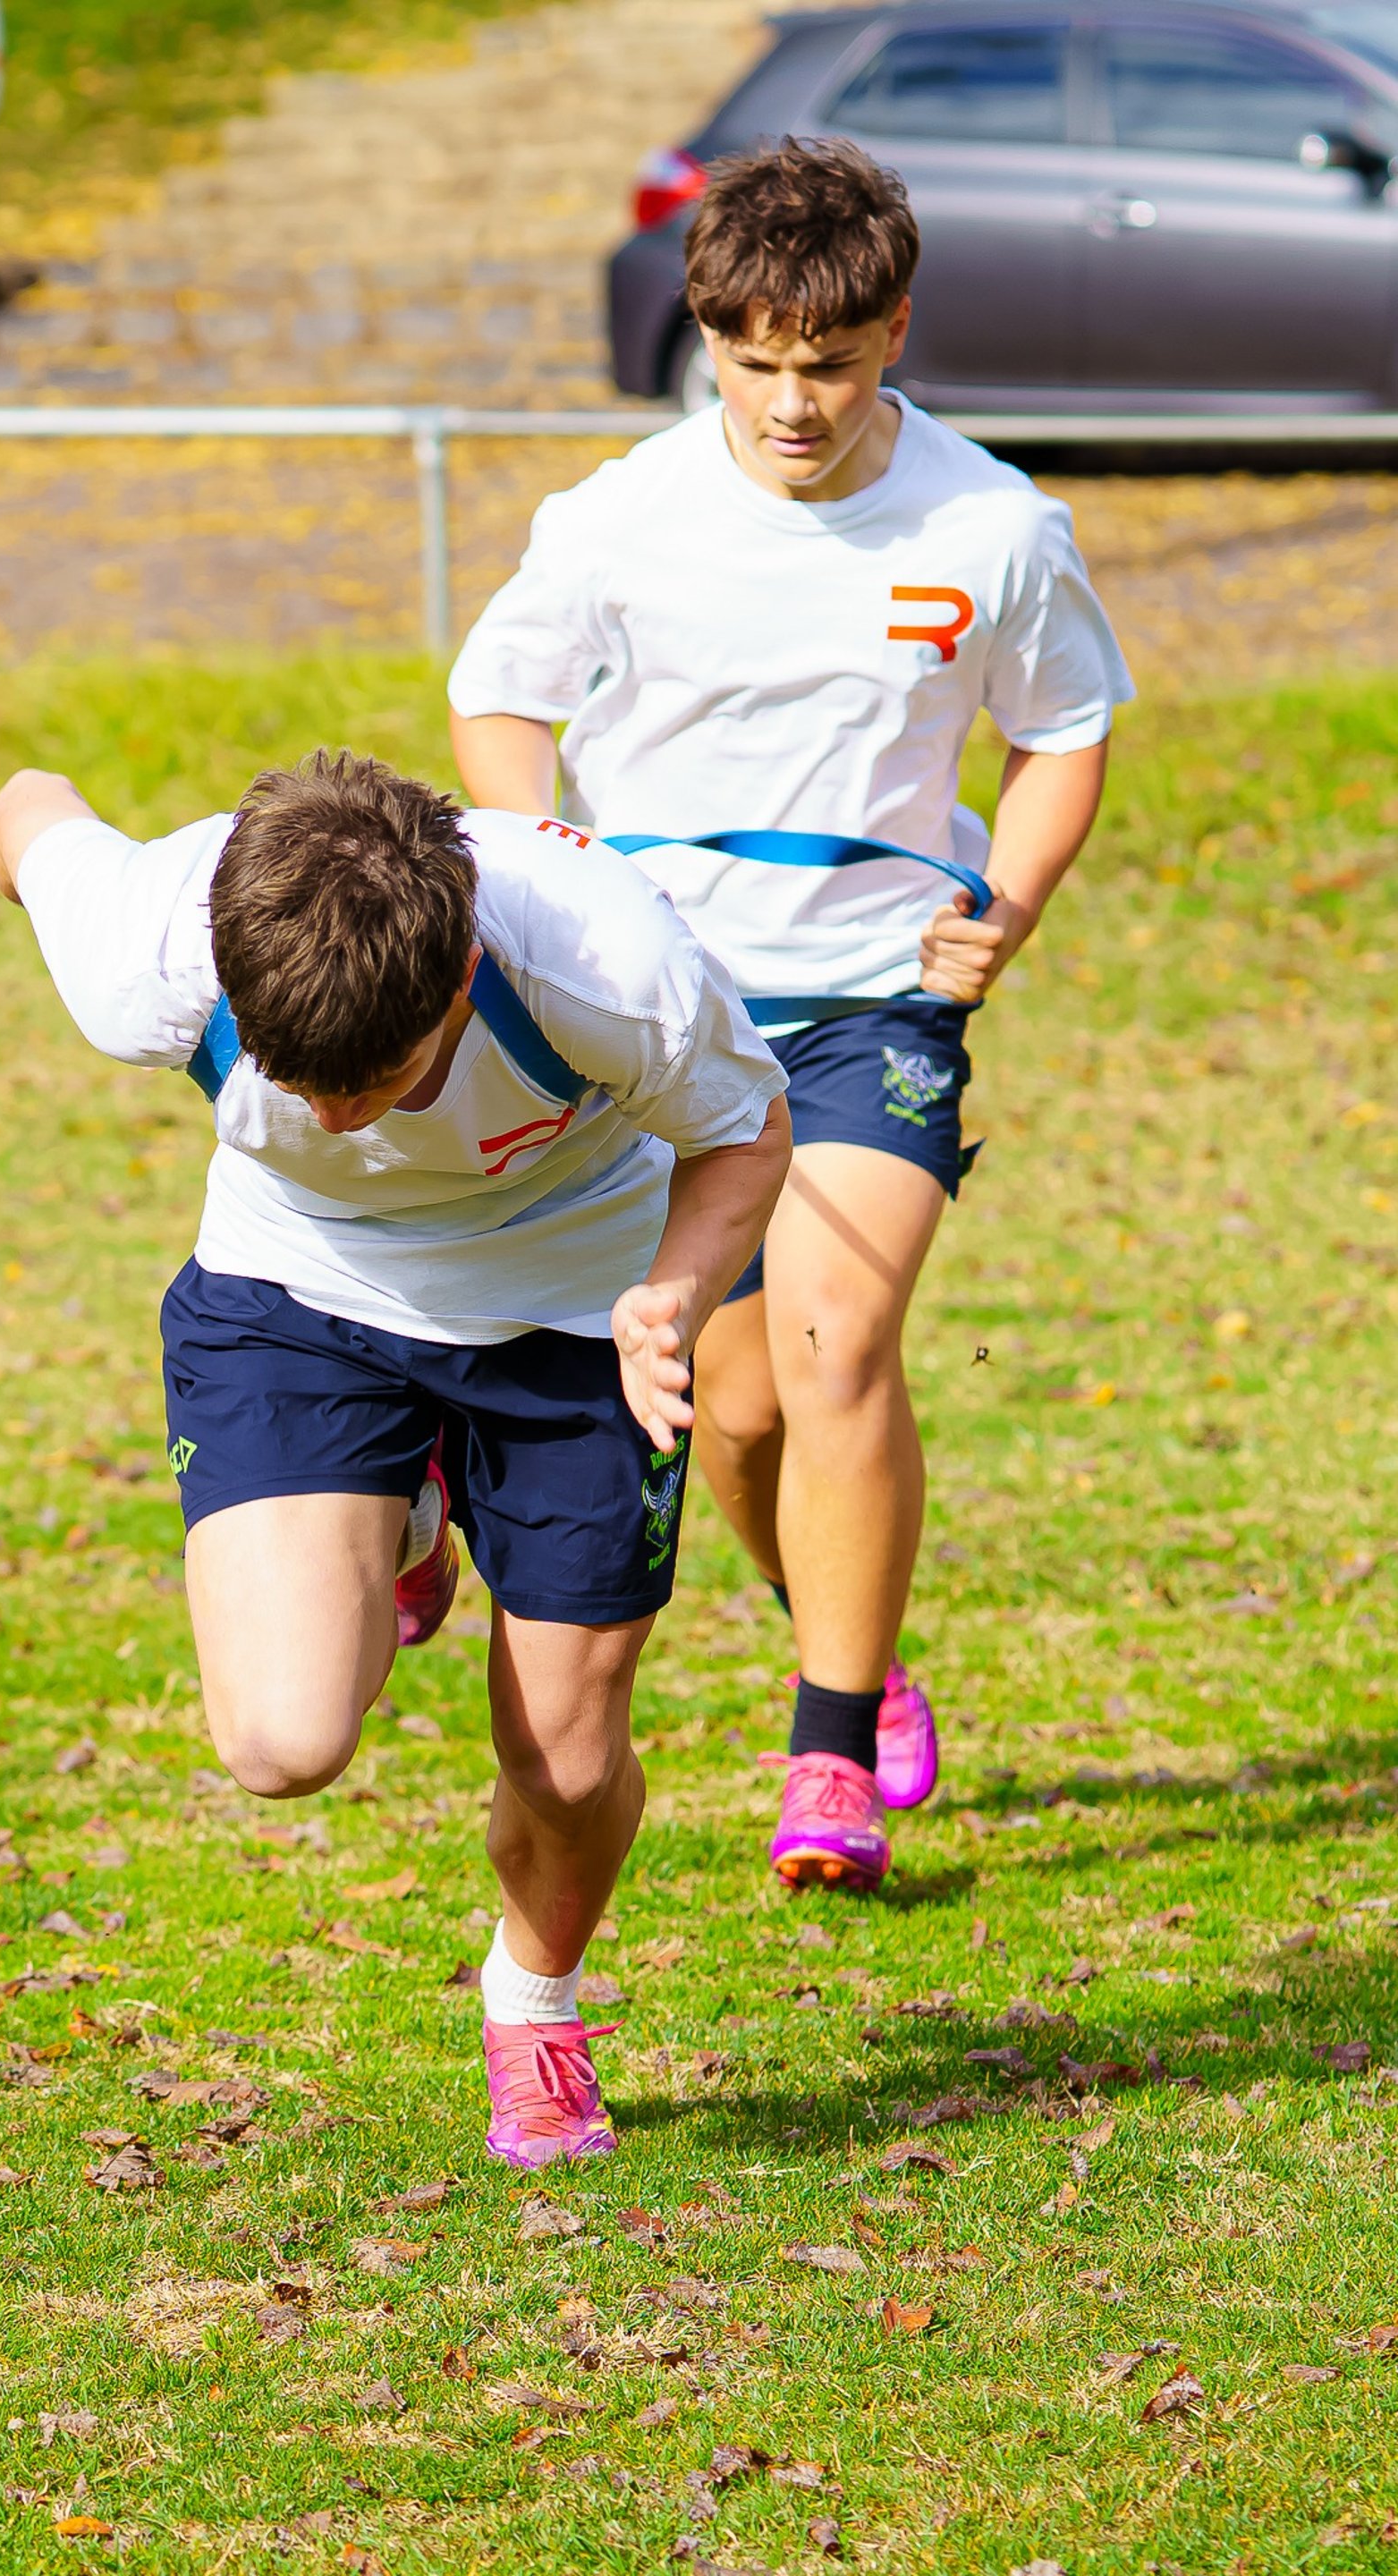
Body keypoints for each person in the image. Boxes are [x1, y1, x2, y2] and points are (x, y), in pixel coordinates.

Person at [447, 137, 1133, 1898]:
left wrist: (1010, 906)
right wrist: (547, 855)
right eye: (754, 363)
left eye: (826, 362)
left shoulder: (992, 527)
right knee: (735, 1418)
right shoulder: (618, 517)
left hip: (870, 1000)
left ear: (891, 331)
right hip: (664, 1019)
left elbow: (1064, 732)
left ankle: (826, 1758)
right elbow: (499, 704)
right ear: (713, 339)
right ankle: (858, 1633)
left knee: (836, 1341)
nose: (792, 404)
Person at [0, 750, 789, 2168]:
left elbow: (746, 1134)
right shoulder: (153, 947)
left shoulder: (604, 960)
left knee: (566, 1751)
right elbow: (31, 806)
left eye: (381, 1083)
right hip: (300, 1296)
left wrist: (671, 1295)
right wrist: (20, 844)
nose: (339, 1115)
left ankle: (534, 2007)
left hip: (575, 1307)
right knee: (281, 1745)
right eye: (305, 1082)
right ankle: (408, 1513)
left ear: (463, 978)